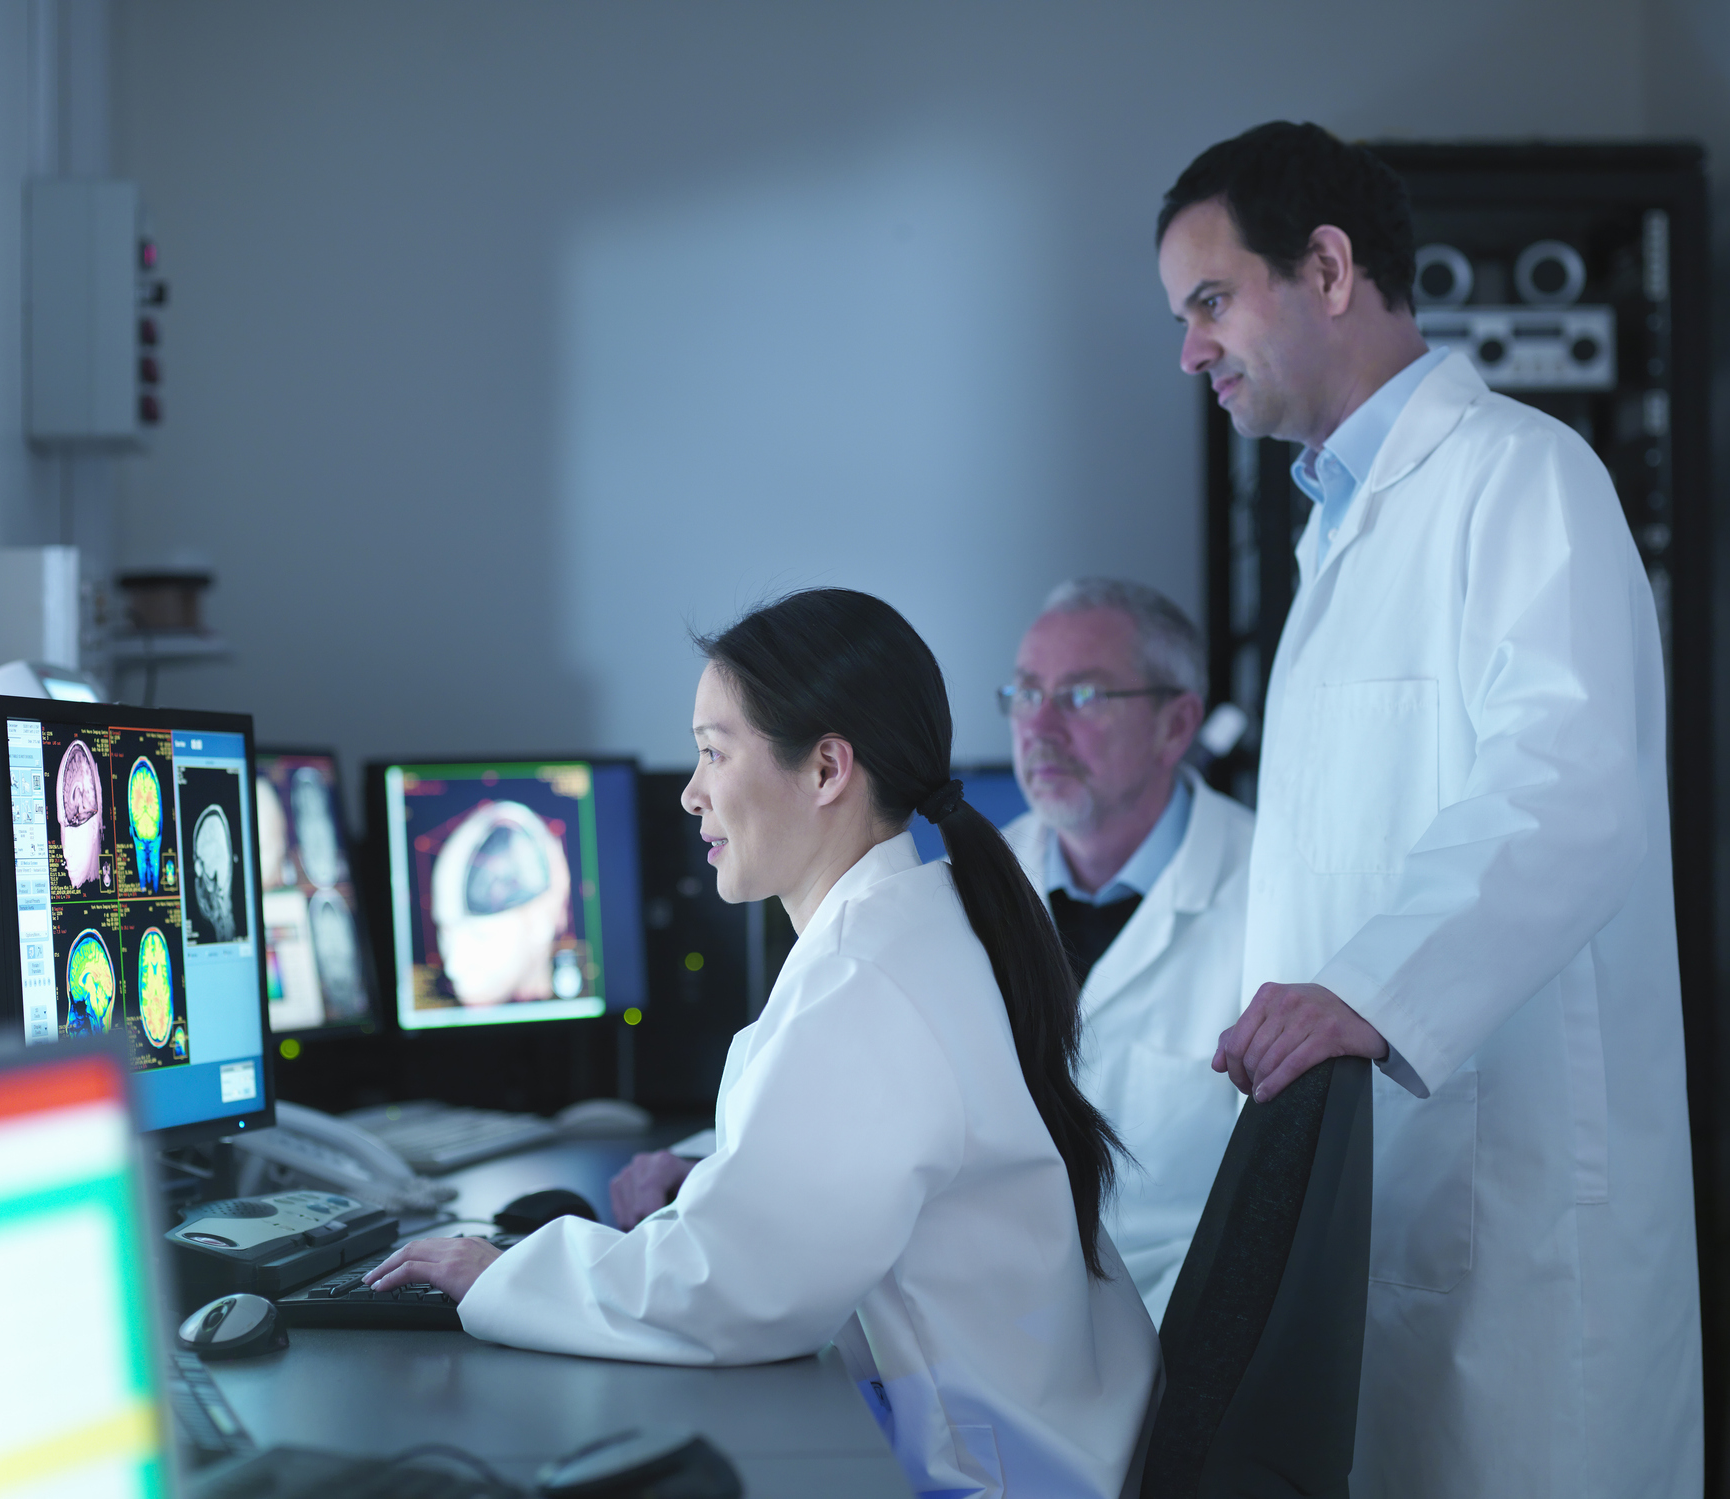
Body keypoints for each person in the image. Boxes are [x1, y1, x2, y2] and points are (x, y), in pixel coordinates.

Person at [1157, 121, 1701, 1495]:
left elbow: (1564, 793)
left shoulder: (1518, 477)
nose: (1188, 352)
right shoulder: (1338, 523)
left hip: (1508, 1214)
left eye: (1209, 301)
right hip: (1386, 1189)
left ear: (1325, 267)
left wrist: (1362, 987)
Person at [365, 589, 1160, 1499]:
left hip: (999, 1474)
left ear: (826, 769)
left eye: (713, 751)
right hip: (1042, 1433)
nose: (690, 790)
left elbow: (734, 1292)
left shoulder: (868, 977)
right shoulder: (913, 922)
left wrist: (501, 1273)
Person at [998, 578, 1248, 1323]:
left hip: (1185, 1348)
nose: (1037, 727)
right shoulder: (956, 894)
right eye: (1023, 692)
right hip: (985, 1335)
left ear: (1176, 725)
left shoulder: (1274, 892)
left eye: (1080, 697)